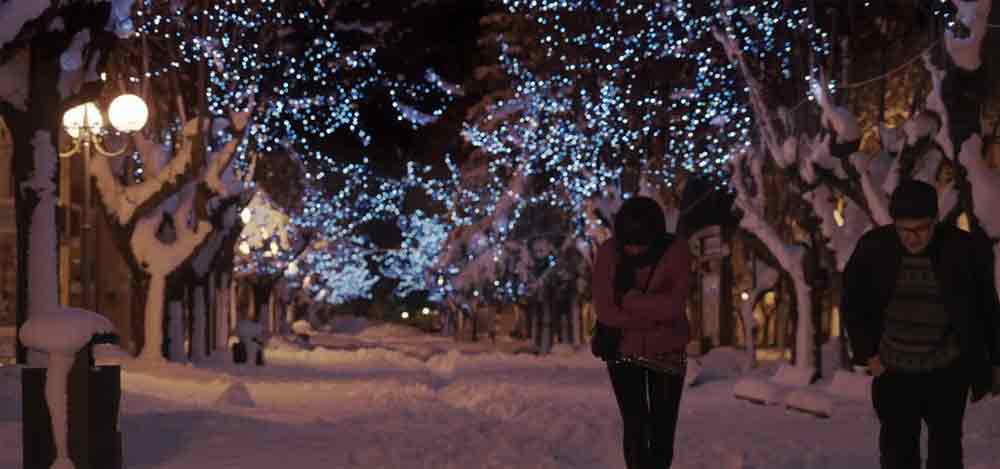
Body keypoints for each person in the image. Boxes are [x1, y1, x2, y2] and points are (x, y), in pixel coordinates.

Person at [842, 179, 1000, 469]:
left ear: (935, 222)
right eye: (904, 229)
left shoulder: (962, 249)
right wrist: (869, 354)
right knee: (898, 454)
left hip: (946, 371)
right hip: (894, 372)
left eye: (920, 229)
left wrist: (993, 361)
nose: (912, 238)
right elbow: (853, 302)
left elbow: (986, 307)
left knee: (946, 452)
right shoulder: (874, 247)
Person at [592, 196, 693, 469]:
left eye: (641, 243)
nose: (634, 250)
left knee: (662, 433)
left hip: (668, 353)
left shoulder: (677, 251)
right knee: (635, 427)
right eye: (629, 243)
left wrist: (629, 299)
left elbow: (674, 306)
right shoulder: (608, 253)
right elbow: (605, 311)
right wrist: (654, 316)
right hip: (623, 352)